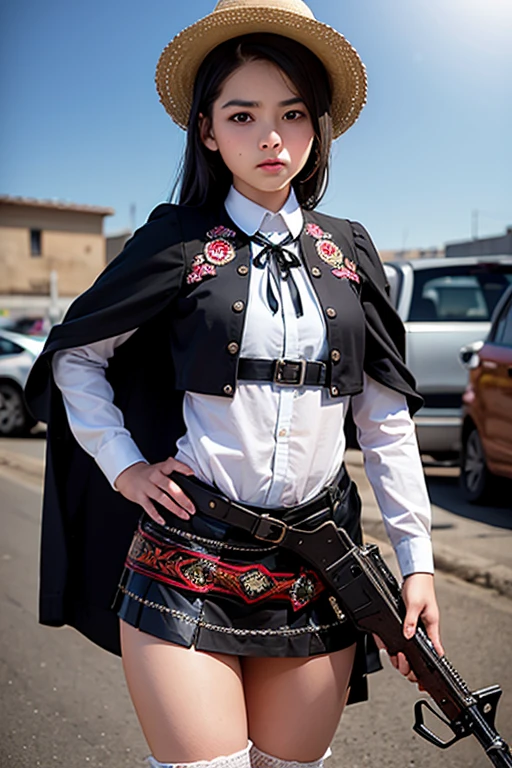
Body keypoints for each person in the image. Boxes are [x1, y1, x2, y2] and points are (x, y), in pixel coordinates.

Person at [25, 1, 444, 766]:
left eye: (291, 112)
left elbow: (384, 421)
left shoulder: (349, 251)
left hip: (318, 566)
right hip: (187, 554)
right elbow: (75, 356)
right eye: (243, 114)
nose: (271, 136)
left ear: (318, 126)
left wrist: (416, 560)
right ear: (208, 132)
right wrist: (126, 467)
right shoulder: (176, 240)